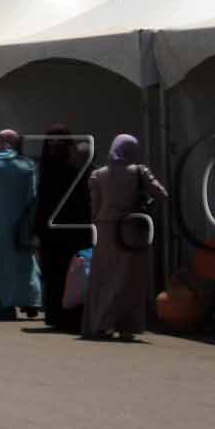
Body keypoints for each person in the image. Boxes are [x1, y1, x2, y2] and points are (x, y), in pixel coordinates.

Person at [81, 134, 167, 340]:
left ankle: (102, 323)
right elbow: (162, 195)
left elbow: (94, 207)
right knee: (130, 279)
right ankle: (127, 325)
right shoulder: (139, 171)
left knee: (104, 277)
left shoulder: (98, 175)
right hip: (132, 230)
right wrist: (148, 212)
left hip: (106, 230)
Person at [0, 128, 41, 320]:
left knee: (0, 264)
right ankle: (31, 300)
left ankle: (4, 305)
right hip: (22, 224)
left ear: (2, 141)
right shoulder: (28, 164)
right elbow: (33, 195)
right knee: (26, 263)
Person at [35, 127, 90, 332]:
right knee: (68, 275)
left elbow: (42, 205)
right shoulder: (75, 170)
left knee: (56, 275)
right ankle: (67, 316)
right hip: (71, 233)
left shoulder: (47, 170)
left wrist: (37, 230)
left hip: (55, 234)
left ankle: (57, 316)